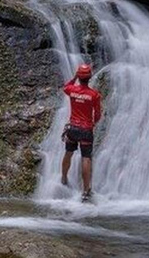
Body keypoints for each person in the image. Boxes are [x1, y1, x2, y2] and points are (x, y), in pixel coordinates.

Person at [61, 63, 102, 202]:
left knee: (68, 153)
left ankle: (64, 178)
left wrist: (74, 78)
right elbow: (97, 115)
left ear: (79, 76)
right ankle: (85, 191)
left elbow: (65, 87)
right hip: (86, 129)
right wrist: (93, 123)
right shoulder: (94, 95)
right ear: (90, 78)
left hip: (72, 128)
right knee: (86, 158)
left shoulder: (72, 90)